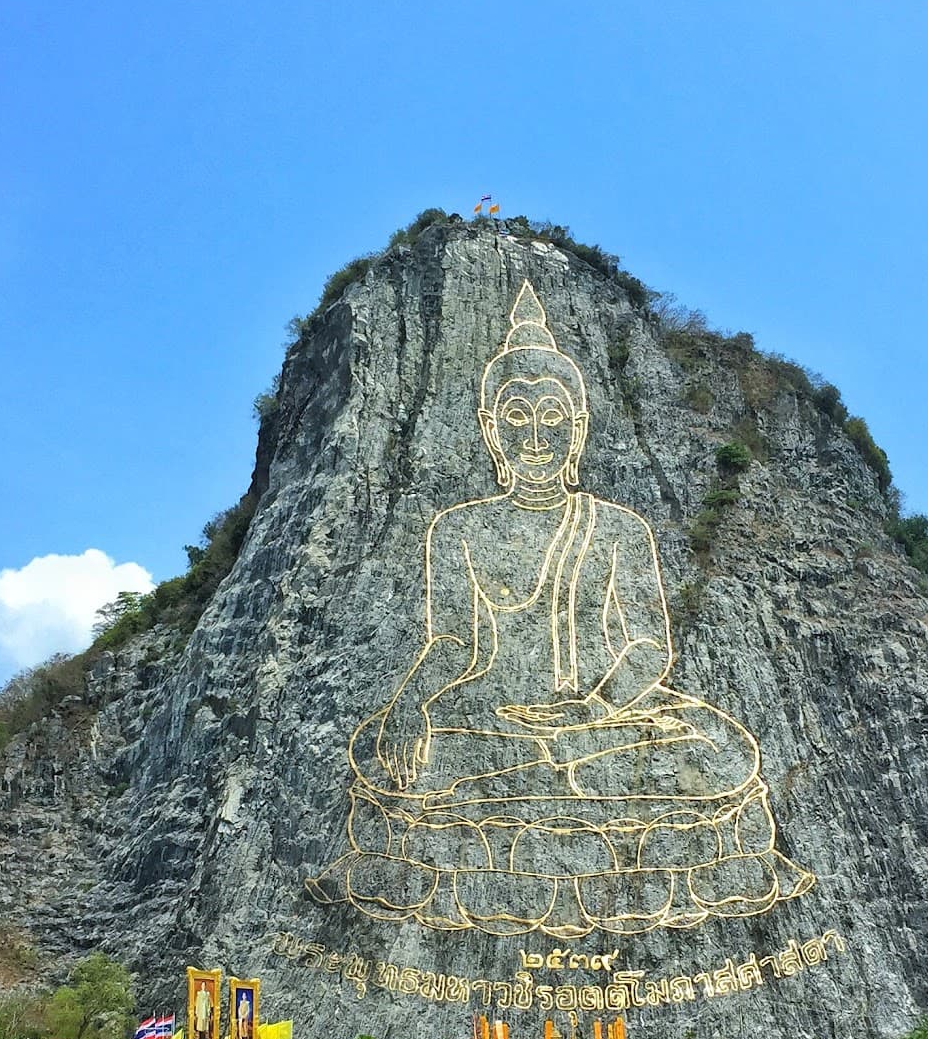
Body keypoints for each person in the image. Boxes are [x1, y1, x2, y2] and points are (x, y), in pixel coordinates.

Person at [307, 280, 814, 938]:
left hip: (604, 723)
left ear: (577, 429)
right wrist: (410, 703)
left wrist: (594, 710)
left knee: (719, 751)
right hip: (495, 722)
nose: (536, 434)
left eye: (553, 415)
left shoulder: (617, 527)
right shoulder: (458, 530)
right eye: (516, 416)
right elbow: (455, 645)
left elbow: (649, 648)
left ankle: (537, 809)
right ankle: (560, 810)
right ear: (492, 430)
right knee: (398, 751)